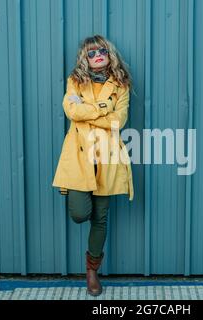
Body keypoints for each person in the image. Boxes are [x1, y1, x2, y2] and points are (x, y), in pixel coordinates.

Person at [52, 34, 134, 296]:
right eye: (91, 53)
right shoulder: (75, 81)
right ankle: (91, 267)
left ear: (109, 54)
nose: (97, 55)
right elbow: (72, 112)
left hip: (107, 157)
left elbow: (118, 122)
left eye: (102, 51)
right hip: (79, 157)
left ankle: (92, 271)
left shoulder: (121, 85)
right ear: (84, 58)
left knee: (100, 218)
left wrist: (89, 109)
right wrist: (103, 108)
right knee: (80, 214)